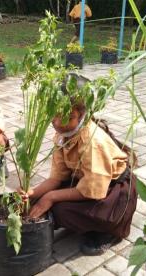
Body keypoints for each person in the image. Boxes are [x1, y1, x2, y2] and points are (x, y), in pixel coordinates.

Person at [20, 76, 138, 256]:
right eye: (55, 112)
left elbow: (93, 190)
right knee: (38, 200)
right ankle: (86, 222)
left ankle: (109, 231)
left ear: (83, 115)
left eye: (68, 115)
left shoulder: (92, 142)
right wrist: (32, 193)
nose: (58, 121)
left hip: (114, 193)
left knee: (59, 209)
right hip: (86, 182)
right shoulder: (63, 136)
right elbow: (57, 178)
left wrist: (51, 197)